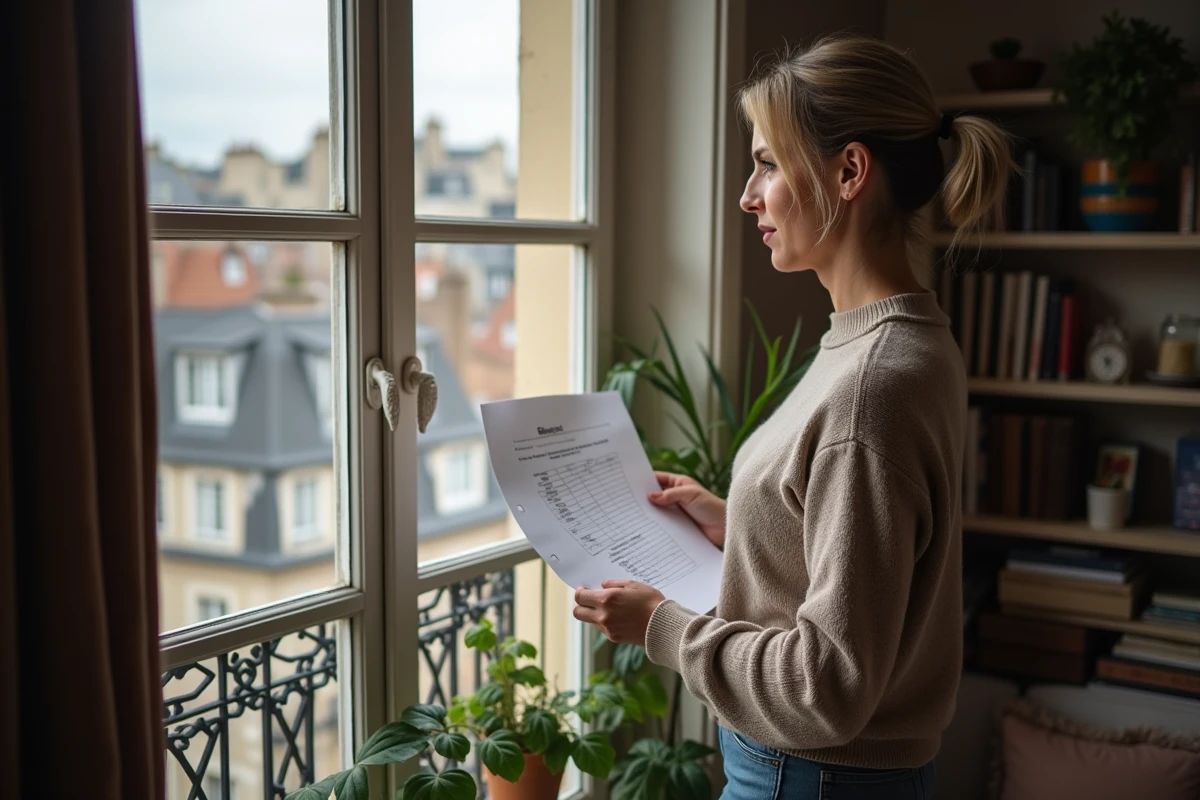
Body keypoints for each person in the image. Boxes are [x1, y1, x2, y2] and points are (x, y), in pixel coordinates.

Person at [573, 34, 1013, 799]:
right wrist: (744, 519)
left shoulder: (871, 387)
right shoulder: (898, 339)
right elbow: (868, 548)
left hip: (807, 778)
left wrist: (659, 625)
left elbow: (827, 686)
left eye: (768, 163)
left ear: (849, 171)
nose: (748, 195)